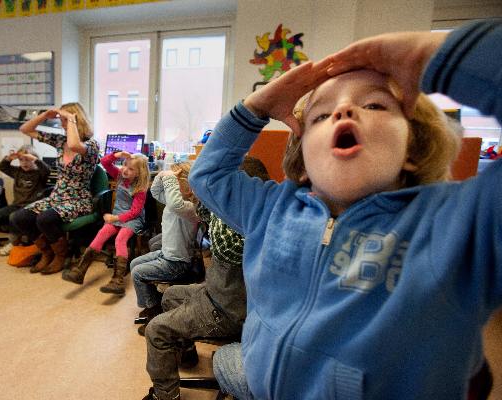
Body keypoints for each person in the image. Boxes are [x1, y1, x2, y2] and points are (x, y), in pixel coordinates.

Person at [190, 19, 502, 400]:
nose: (344, 112)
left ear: (412, 149)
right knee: (227, 361)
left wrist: (428, 55)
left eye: (374, 104)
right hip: (262, 382)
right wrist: (257, 107)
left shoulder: (454, 225)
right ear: (303, 160)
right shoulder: (271, 209)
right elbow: (208, 174)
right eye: (320, 116)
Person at [142, 157, 269, 400]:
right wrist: (200, 196)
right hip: (217, 293)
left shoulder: (247, 224)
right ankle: (187, 351)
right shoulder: (244, 212)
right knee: (170, 295)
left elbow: (222, 240)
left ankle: (166, 395)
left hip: (228, 310)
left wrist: (207, 191)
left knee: (156, 330)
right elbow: (209, 220)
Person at [11, 102, 100, 275]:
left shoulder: (92, 145)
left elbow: (75, 145)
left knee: (45, 219)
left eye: (63, 120)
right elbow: (25, 129)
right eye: (61, 120)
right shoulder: (60, 141)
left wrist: (71, 118)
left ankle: (61, 256)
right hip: (57, 197)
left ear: (75, 119)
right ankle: (47, 253)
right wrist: (44, 116)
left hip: (78, 200)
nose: (61, 123)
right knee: (19, 217)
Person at [62, 151, 150, 295]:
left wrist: (115, 219)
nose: (125, 170)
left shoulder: (140, 189)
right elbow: (104, 162)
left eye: (131, 168)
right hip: (116, 217)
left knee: (120, 240)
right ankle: (79, 271)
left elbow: (134, 213)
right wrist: (118, 155)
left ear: (139, 173)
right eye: (124, 165)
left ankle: (118, 281)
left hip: (132, 220)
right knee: (101, 234)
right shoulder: (120, 177)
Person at [129, 161, 199, 329]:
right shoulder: (174, 202)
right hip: (166, 254)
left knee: (138, 273)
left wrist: (169, 180)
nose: (171, 187)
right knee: (134, 264)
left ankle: (154, 310)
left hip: (177, 262)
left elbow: (176, 204)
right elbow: (155, 192)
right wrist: (162, 176)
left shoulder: (190, 208)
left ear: (187, 186)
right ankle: (153, 302)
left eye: (176, 182)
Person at [0, 144, 50, 256]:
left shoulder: (39, 173)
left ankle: (13, 242)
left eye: (28, 160)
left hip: (31, 206)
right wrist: (9, 158)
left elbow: (47, 170)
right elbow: (2, 167)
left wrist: (35, 159)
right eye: (21, 160)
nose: (24, 163)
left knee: (13, 216)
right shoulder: (17, 171)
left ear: (34, 159)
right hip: (17, 204)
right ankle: (20, 234)